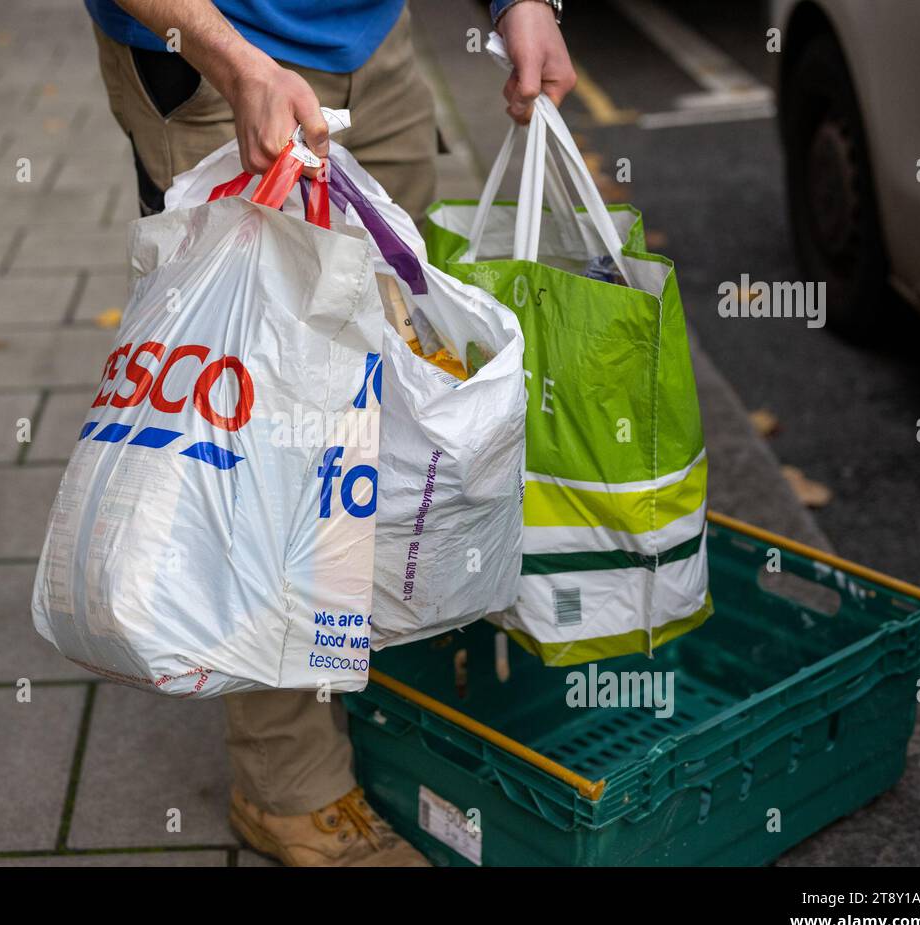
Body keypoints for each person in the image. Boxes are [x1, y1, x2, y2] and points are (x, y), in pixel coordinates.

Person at [85, 0, 574, 866]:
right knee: (268, 433)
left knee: (399, 377)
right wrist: (233, 62)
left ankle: (375, 650)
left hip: (372, 42)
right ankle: (291, 785)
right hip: (210, 57)